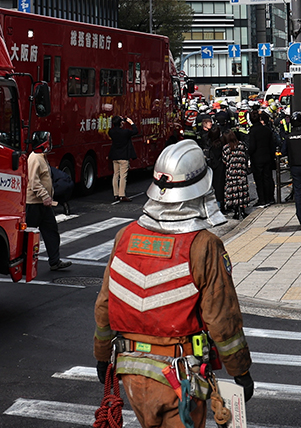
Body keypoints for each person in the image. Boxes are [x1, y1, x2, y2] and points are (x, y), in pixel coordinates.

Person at [93, 140, 254, 428]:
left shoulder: (125, 237)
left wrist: (102, 356)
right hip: (178, 377)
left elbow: (105, 304)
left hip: (131, 372)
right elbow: (221, 319)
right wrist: (241, 371)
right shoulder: (204, 245)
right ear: (201, 190)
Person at [27, 131, 71, 271]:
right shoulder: (34, 158)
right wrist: (45, 196)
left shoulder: (42, 157)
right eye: (48, 140)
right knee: (29, 235)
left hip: (43, 204)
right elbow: (34, 182)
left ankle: (54, 261)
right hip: (34, 204)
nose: (50, 143)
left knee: (51, 231)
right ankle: (24, 263)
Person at [246, 112, 280, 206]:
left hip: (257, 159)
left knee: (259, 180)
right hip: (268, 157)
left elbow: (252, 146)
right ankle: (270, 197)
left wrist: (248, 154)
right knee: (268, 178)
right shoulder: (266, 130)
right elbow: (272, 144)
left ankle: (262, 199)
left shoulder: (253, 131)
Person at [108, 115, 140, 204]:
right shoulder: (125, 132)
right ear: (121, 123)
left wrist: (121, 121)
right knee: (123, 176)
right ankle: (122, 195)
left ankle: (116, 194)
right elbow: (135, 131)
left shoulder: (111, 132)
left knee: (115, 175)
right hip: (124, 156)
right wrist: (131, 122)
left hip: (114, 156)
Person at [221, 130, 251, 219]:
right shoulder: (242, 145)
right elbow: (245, 157)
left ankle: (236, 211)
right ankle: (243, 210)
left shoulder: (226, 148)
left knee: (233, 192)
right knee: (242, 191)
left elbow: (225, 160)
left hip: (231, 173)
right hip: (241, 172)